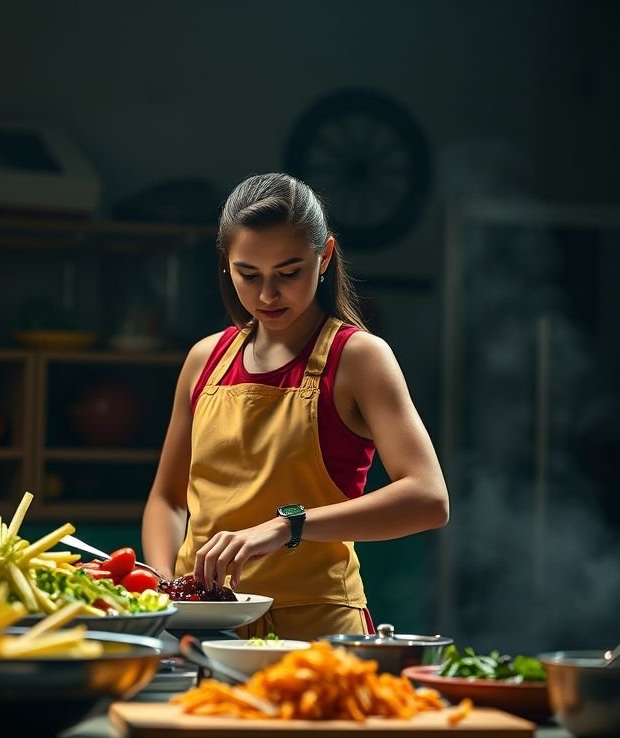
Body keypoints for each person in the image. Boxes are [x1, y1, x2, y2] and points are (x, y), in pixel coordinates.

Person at [141, 172, 449, 640]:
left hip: (315, 634)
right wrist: (165, 586)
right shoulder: (204, 359)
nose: (267, 295)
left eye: (288, 273)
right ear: (226, 263)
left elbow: (428, 498)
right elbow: (167, 498)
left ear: (324, 257)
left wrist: (289, 526)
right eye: (248, 275)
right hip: (202, 630)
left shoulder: (359, 358)